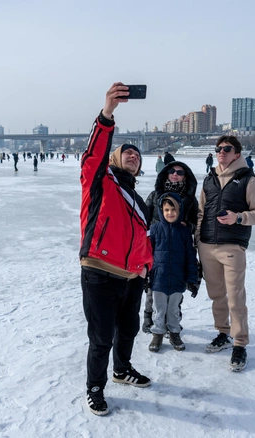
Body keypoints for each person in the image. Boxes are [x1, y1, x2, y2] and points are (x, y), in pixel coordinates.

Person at [80, 82, 153, 416]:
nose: (133, 156)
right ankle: (95, 388)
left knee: (129, 330)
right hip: (99, 272)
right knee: (101, 339)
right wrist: (107, 114)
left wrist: (145, 266)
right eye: (127, 152)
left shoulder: (138, 200)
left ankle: (122, 370)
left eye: (137, 155)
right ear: (113, 158)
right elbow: (92, 154)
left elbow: (141, 238)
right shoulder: (100, 180)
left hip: (131, 278)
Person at [196, 135, 255, 372]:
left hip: (232, 246)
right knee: (216, 295)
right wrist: (197, 240)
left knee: (235, 297)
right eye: (218, 149)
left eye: (227, 149)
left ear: (237, 153)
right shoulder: (209, 179)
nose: (222, 152)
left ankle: (240, 343)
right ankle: (222, 333)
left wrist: (238, 217)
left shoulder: (249, 180)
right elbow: (200, 213)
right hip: (207, 245)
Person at [142, 160, 199, 334]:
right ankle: (149, 318)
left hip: (178, 248)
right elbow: (144, 219)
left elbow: (197, 222)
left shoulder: (189, 200)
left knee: (175, 286)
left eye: (180, 172)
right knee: (154, 287)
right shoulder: (154, 195)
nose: (175, 174)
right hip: (157, 247)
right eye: (172, 171)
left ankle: (173, 319)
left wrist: (186, 226)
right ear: (166, 173)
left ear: (185, 176)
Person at [147, 193, 200, 352]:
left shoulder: (184, 232)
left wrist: (192, 279)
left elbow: (191, 256)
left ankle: (174, 332)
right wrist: (144, 276)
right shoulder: (154, 229)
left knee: (173, 309)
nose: (170, 213)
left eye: (173, 210)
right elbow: (146, 254)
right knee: (159, 308)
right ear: (161, 211)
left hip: (178, 278)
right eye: (166, 210)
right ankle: (157, 333)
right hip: (159, 278)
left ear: (180, 210)